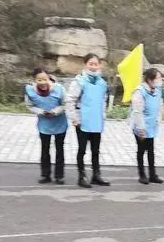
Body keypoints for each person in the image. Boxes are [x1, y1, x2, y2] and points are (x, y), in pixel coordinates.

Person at [66, 53, 110, 188]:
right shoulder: (79, 81)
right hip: (82, 121)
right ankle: (82, 176)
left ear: (99, 65)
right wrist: (74, 119)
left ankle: (96, 175)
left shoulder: (102, 83)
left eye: (95, 64)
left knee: (96, 150)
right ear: (85, 65)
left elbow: (103, 101)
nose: (93, 66)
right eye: (90, 63)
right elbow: (70, 100)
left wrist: (103, 116)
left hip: (96, 121)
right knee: (82, 150)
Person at [25, 68, 68, 184]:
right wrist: (41, 111)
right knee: (45, 150)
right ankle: (45, 175)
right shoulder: (30, 91)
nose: (42, 82)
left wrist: (55, 111)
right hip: (44, 124)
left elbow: (65, 104)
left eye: (45, 79)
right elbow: (29, 106)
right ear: (35, 81)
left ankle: (59, 176)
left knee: (59, 149)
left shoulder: (59, 89)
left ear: (49, 78)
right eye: (39, 80)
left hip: (60, 123)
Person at [130, 68, 164, 185]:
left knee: (151, 150)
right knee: (141, 150)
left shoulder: (158, 91)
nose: (160, 80)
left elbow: (159, 106)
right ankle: (142, 174)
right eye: (157, 78)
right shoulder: (140, 91)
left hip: (152, 125)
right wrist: (141, 128)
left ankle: (152, 174)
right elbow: (137, 111)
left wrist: (158, 120)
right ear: (149, 80)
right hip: (141, 125)